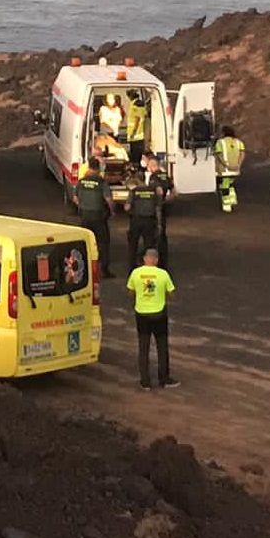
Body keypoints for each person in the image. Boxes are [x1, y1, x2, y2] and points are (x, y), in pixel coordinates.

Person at [127, 247, 178, 389]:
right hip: (159, 314)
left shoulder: (136, 273)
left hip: (141, 314)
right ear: (156, 260)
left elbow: (131, 292)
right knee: (162, 346)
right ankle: (164, 378)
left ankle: (145, 381)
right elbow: (172, 293)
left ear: (144, 259)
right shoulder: (163, 274)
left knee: (143, 347)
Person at [74, 157, 115, 277]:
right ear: (98, 168)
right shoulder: (101, 182)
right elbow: (109, 200)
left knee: (86, 243)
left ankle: (85, 270)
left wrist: (83, 205)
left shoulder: (81, 182)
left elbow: (75, 198)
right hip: (99, 216)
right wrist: (112, 211)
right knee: (103, 243)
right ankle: (104, 270)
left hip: (85, 216)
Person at [126, 168, 164, 271]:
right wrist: (159, 223)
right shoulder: (152, 191)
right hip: (150, 221)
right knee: (149, 245)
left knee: (133, 245)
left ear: (137, 180)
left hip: (136, 221)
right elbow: (158, 209)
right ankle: (149, 266)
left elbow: (127, 207)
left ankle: (132, 268)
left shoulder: (134, 191)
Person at [213, 126, 245, 213]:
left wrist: (225, 165)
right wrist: (238, 165)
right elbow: (242, 154)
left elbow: (218, 156)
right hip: (235, 169)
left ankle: (227, 204)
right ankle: (232, 200)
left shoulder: (220, 142)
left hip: (224, 170)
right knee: (230, 184)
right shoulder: (239, 142)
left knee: (224, 186)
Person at [125, 90, 149, 164]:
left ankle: (135, 167)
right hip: (138, 135)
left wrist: (133, 132)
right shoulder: (140, 104)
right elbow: (145, 115)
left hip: (136, 135)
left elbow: (137, 119)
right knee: (137, 155)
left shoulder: (136, 104)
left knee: (135, 155)